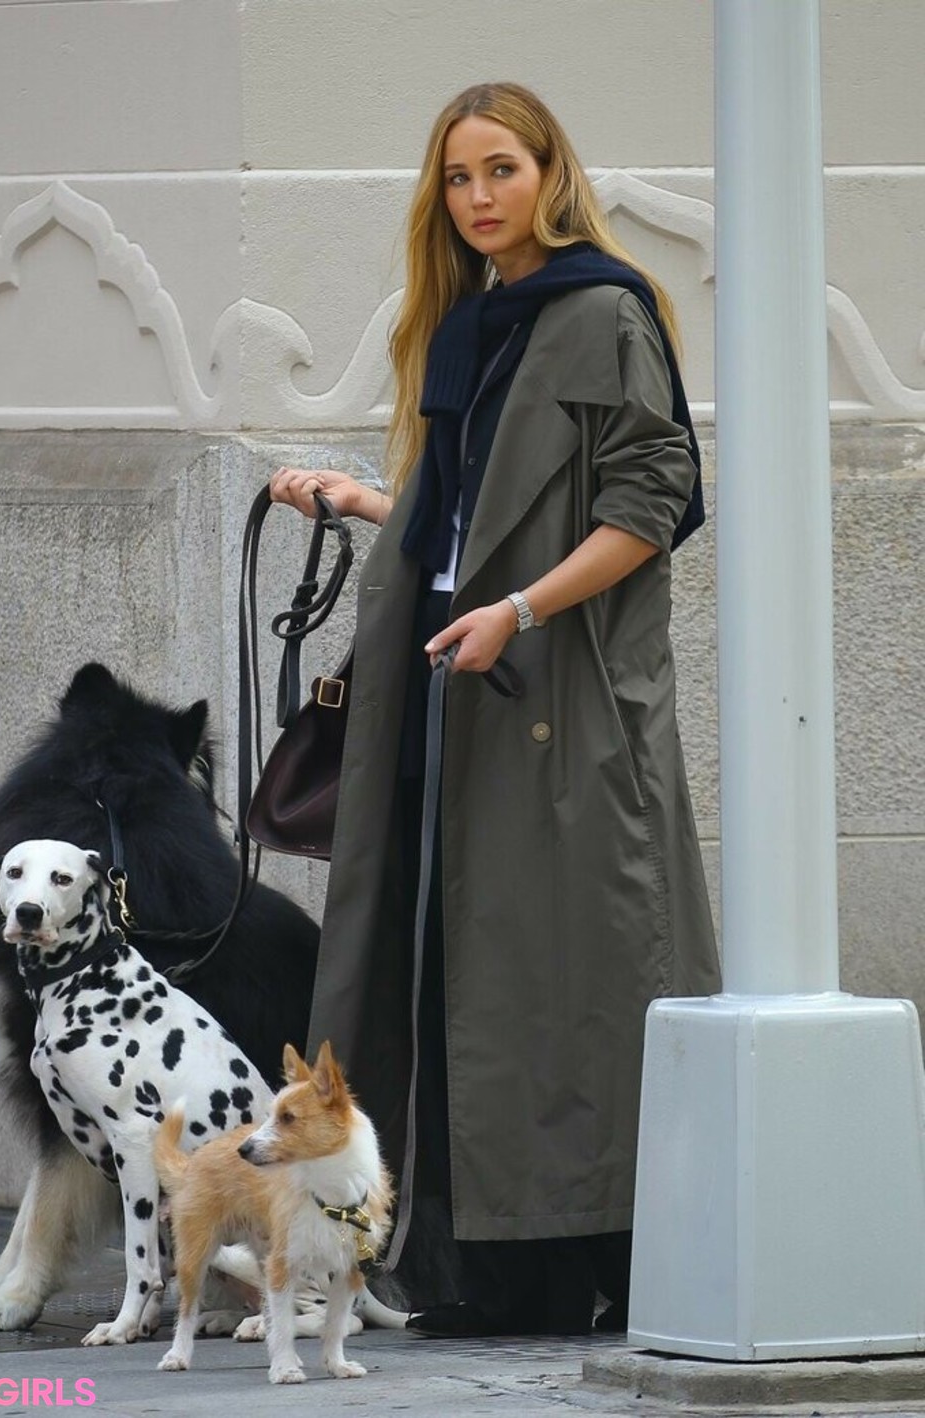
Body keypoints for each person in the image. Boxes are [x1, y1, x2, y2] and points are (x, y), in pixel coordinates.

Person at [269, 81, 721, 1338]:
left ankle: (593, 1264)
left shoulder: (603, 309)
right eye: (458, 177)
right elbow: (475, 510)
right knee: (451, 971)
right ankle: (483, 1270)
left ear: (550, 172)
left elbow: (652, 504)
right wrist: (376, 505)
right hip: (446, 683)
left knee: (564, 980)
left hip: (554, 695)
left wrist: (516, 611)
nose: (478, 197)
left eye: (501, 170)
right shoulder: (467, 321)